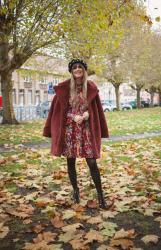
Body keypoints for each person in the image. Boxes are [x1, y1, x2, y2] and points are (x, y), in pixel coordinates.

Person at [43, 58, 109, 209]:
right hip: (69, 130)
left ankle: (100, 195)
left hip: (86, 129)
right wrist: (73, 116)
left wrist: (86, 115)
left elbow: (96, 109)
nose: (77, 69)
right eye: (74, 68)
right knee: (70, 161)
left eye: (80, 67)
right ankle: (76, 191)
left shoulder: (91, 87)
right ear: (71, 71)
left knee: (92, 162)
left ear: (84, 70)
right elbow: (59, 110)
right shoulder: (64, 88)